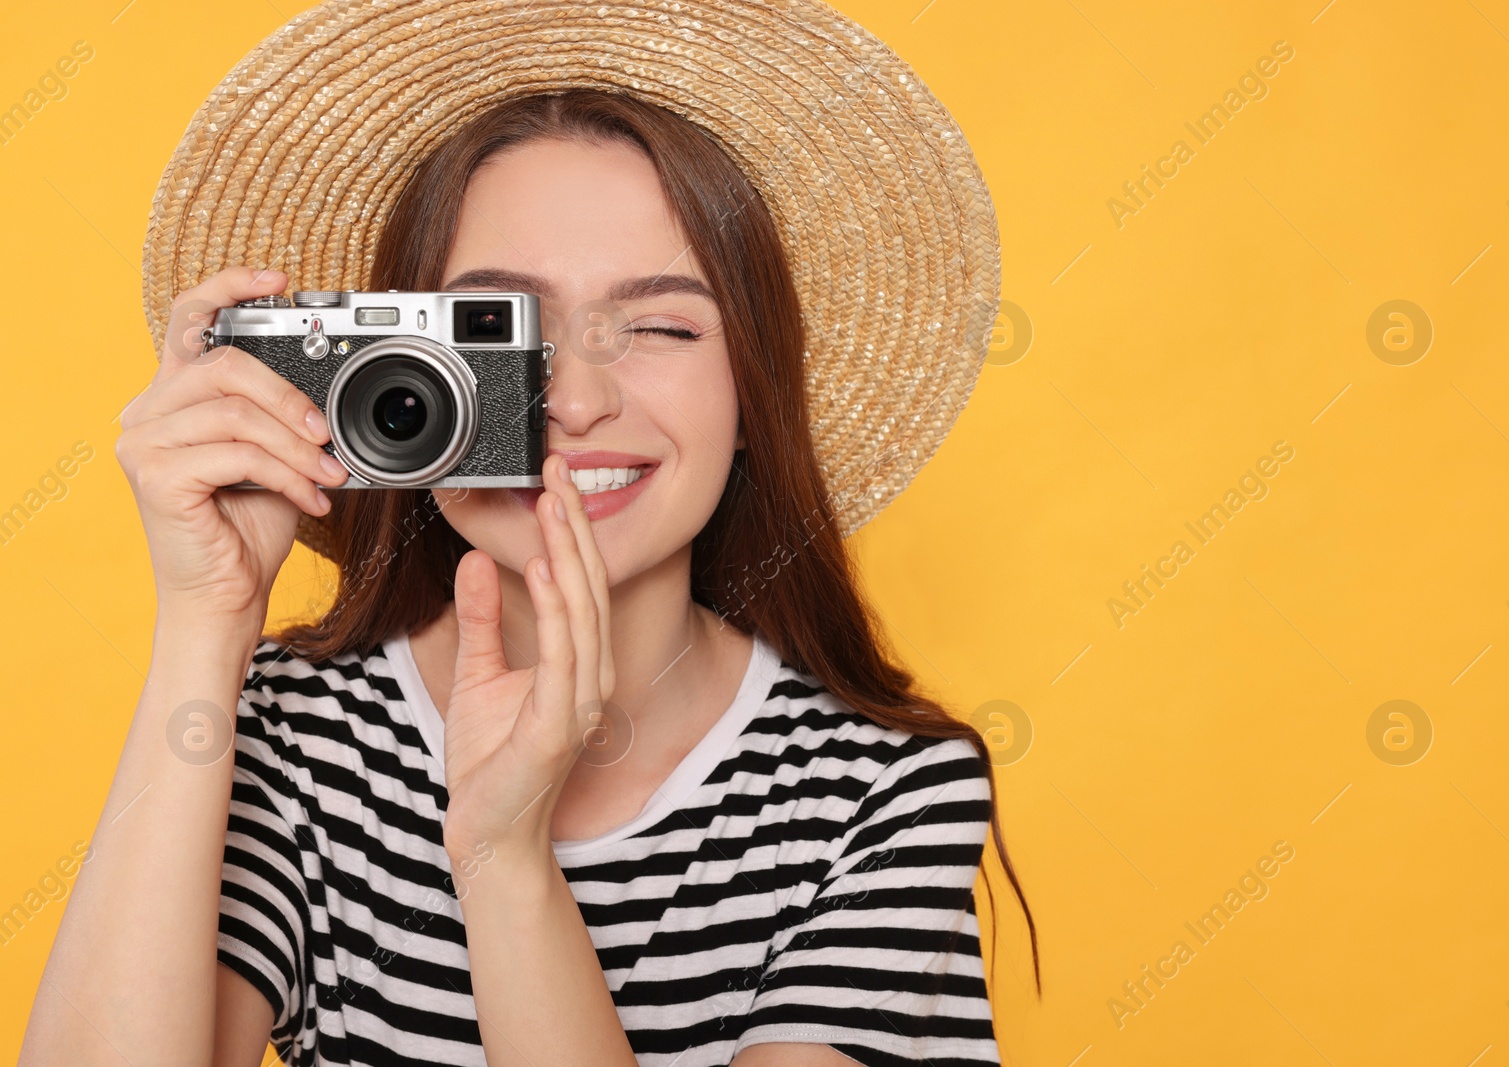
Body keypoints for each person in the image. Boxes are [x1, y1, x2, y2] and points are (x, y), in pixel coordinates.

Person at [23, 3, 1038, 1064]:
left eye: (659, 325)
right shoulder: (293, 739)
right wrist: (206, 623)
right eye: (496, 330)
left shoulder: (882, 792)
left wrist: (503, 859)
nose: (580, 398)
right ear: (392, 384)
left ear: (751, 388)